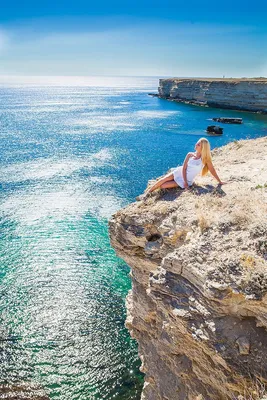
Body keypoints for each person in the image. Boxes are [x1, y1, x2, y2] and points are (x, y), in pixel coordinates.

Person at [148, 137, 224, 193]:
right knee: (163, 179)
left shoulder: (205, 159)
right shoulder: (190, 154)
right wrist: (185, 182)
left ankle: (159, 187)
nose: (196, 145)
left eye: (198, 144)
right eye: (197, 143)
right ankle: (148, 193)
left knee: (162, 186)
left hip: (188, 180)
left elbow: (212, 170)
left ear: (203, 148)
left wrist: (219, 181)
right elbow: (184, 168)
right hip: (180, 172)